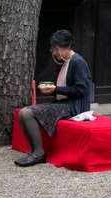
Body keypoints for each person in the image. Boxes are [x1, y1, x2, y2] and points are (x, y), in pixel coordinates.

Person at [15, 30, 91, 167]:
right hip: (64, 103)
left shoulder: (78, 62)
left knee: (26, 113)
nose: (54, 52)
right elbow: (64, 90)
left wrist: (55, 89)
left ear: (67, 45)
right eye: (53, 49)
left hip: (73, 107)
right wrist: (51, 91)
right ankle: (32, 151)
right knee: (22, 114)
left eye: (57, 48)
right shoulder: (66, 62)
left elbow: (81, 89)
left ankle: (39, 153)